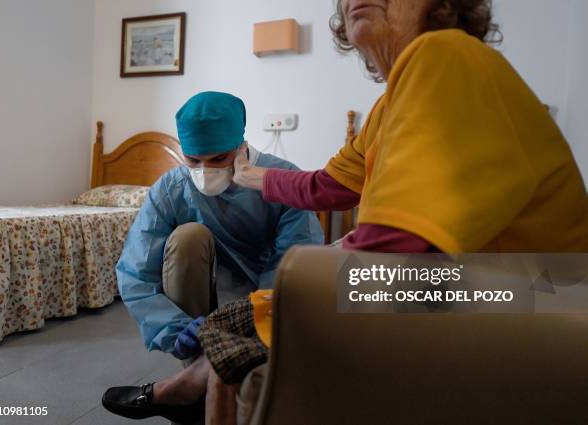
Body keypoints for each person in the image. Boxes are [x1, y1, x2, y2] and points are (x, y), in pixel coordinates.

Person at [111, 0, 588, 423]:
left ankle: (188, 385)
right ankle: (196, 381)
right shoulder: (391, 104)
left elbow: (396, 247)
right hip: (472, 284)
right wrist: (260, 181)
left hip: (525, 294)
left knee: (277, 305)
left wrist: (296, 291)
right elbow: (329, 185)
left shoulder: (445, 54)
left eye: (216, 159)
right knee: (263, 312)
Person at [101, 91, 323, 423]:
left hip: (266, 291)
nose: (205, 171)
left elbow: (295, 261)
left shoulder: (281, 179)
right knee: (187, 237)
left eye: (219, 159)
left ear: (241, 145)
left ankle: (193, 385)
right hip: (207, 292)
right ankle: (199, 366)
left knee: (295, 286)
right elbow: (136, 269)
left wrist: (254, 312)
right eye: (193, 160)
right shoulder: (171, 188)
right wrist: (173, 328)